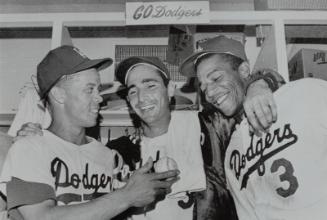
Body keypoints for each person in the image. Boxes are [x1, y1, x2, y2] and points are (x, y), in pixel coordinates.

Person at [0, 45, 179, 220]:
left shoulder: (106, 155)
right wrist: (127, 196)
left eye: (98, 89)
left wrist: (147, 190)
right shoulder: (30, 148)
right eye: (89, 89)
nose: (99, 97)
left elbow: (108, 209)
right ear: (59, 95)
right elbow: (41, 217)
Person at [181, 36, 327, 219]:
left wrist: (262, 81)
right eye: (203, 88)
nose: (209, 93)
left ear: (243, 70)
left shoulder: (305, 94)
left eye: (216, 78)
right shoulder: (231, 154)